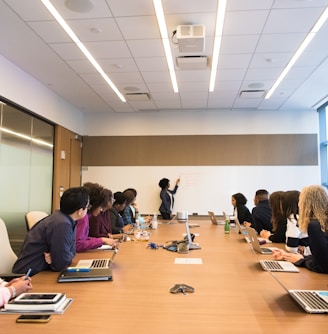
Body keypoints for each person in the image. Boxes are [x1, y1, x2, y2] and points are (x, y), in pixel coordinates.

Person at [13, 187, 89, 276]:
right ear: (80, 211)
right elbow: (60, 264)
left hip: (40, 271)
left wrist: (57, 257)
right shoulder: (62, 224)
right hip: (29, 276)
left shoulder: (65, 220)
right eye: (87, 207)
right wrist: (60, 258)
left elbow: (72, 252)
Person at [273, 185, 328, 273]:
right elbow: (322, 258)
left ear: (304, 203)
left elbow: (322, 266)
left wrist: (301, 261)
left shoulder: (315, 226)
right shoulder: (322, 223)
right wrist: (292, 257)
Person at [76, 182, 119, 252]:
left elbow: (84, 239)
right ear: (94, 204)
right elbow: (78, 244)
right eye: (100, 207)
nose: (100, 210)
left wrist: (102, 240)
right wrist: (101, 240)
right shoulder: (82, 217)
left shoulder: (86, 216)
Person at [282, 190, 311, 255]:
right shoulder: (304, 216)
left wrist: (295, 248)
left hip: (302, 255)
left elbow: (291, 248)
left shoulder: (293, 219)